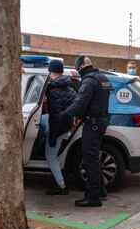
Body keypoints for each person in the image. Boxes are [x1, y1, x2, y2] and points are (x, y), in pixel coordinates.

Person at [60, 55, 113, 207]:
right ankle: (100, 190)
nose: (78, 72)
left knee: (90, 160)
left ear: (82, 66)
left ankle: (93, 197)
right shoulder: (102, 77)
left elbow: (80, 103)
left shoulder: (89, 81)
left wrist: (63, 115)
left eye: (78, 69)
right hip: (100, 122)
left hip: (93, 124)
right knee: (94, 158)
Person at [42, 60, 77, 195]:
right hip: (67, 125)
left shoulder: (53, 89)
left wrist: (52, 138)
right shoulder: (69, 85)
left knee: (50, 155)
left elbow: (55, 117)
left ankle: (61, 186)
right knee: (41, 122)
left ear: (50, 72)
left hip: (60, 127)